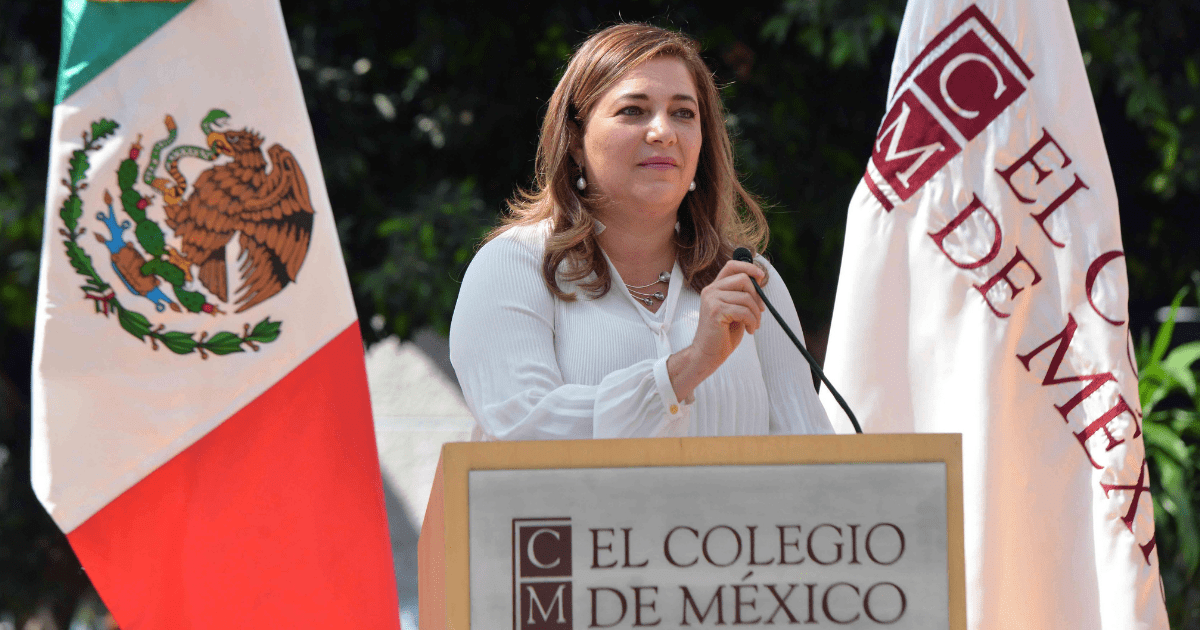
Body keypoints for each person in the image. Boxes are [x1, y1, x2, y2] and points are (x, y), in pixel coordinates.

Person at [449, 23, 833, 440]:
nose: (663, 132)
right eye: (633, 110)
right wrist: (687, 367)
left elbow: (809, 452)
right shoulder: (514, 265)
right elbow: (525, 431)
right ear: (575, 140)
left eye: (683, 113)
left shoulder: (751, 282)